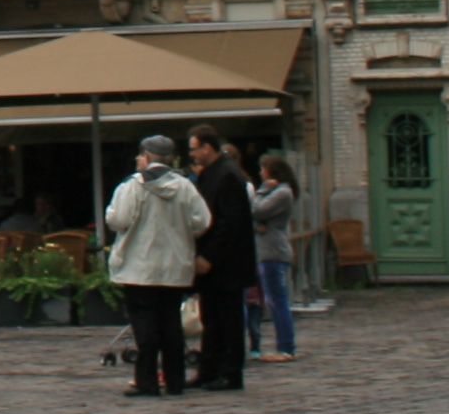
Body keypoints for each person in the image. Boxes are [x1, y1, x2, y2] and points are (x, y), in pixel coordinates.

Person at [103, 135, 209, 399]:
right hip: (175, 267)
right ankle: (175, 381)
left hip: (139, 268)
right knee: (171, 324)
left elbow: (118, 220)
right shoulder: (185, 187)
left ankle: (147, 380)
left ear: (147, 157)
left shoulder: (132, 187)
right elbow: (202, 221)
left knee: (145, 326)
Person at [187, 130, 255, 393]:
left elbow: (229, 224)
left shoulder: (227, 175)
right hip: (216, 265)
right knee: (212, 320)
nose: (191, 154)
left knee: (228, 320)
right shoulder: (212, 174)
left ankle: (230, 372)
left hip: (227, 265)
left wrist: (209, 257)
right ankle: (209, 369)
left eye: (194, 149)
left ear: (207, 147)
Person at [248, 152, 302, 363]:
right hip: (267, 250)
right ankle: (285, 345)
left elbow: (256, 210)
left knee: (277, 301)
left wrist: (261, 191)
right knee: (275, 300)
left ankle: (286, 347)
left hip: (273, 251)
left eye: (263, 169)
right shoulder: (279, 192)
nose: (261, 173)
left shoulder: (281, 192)